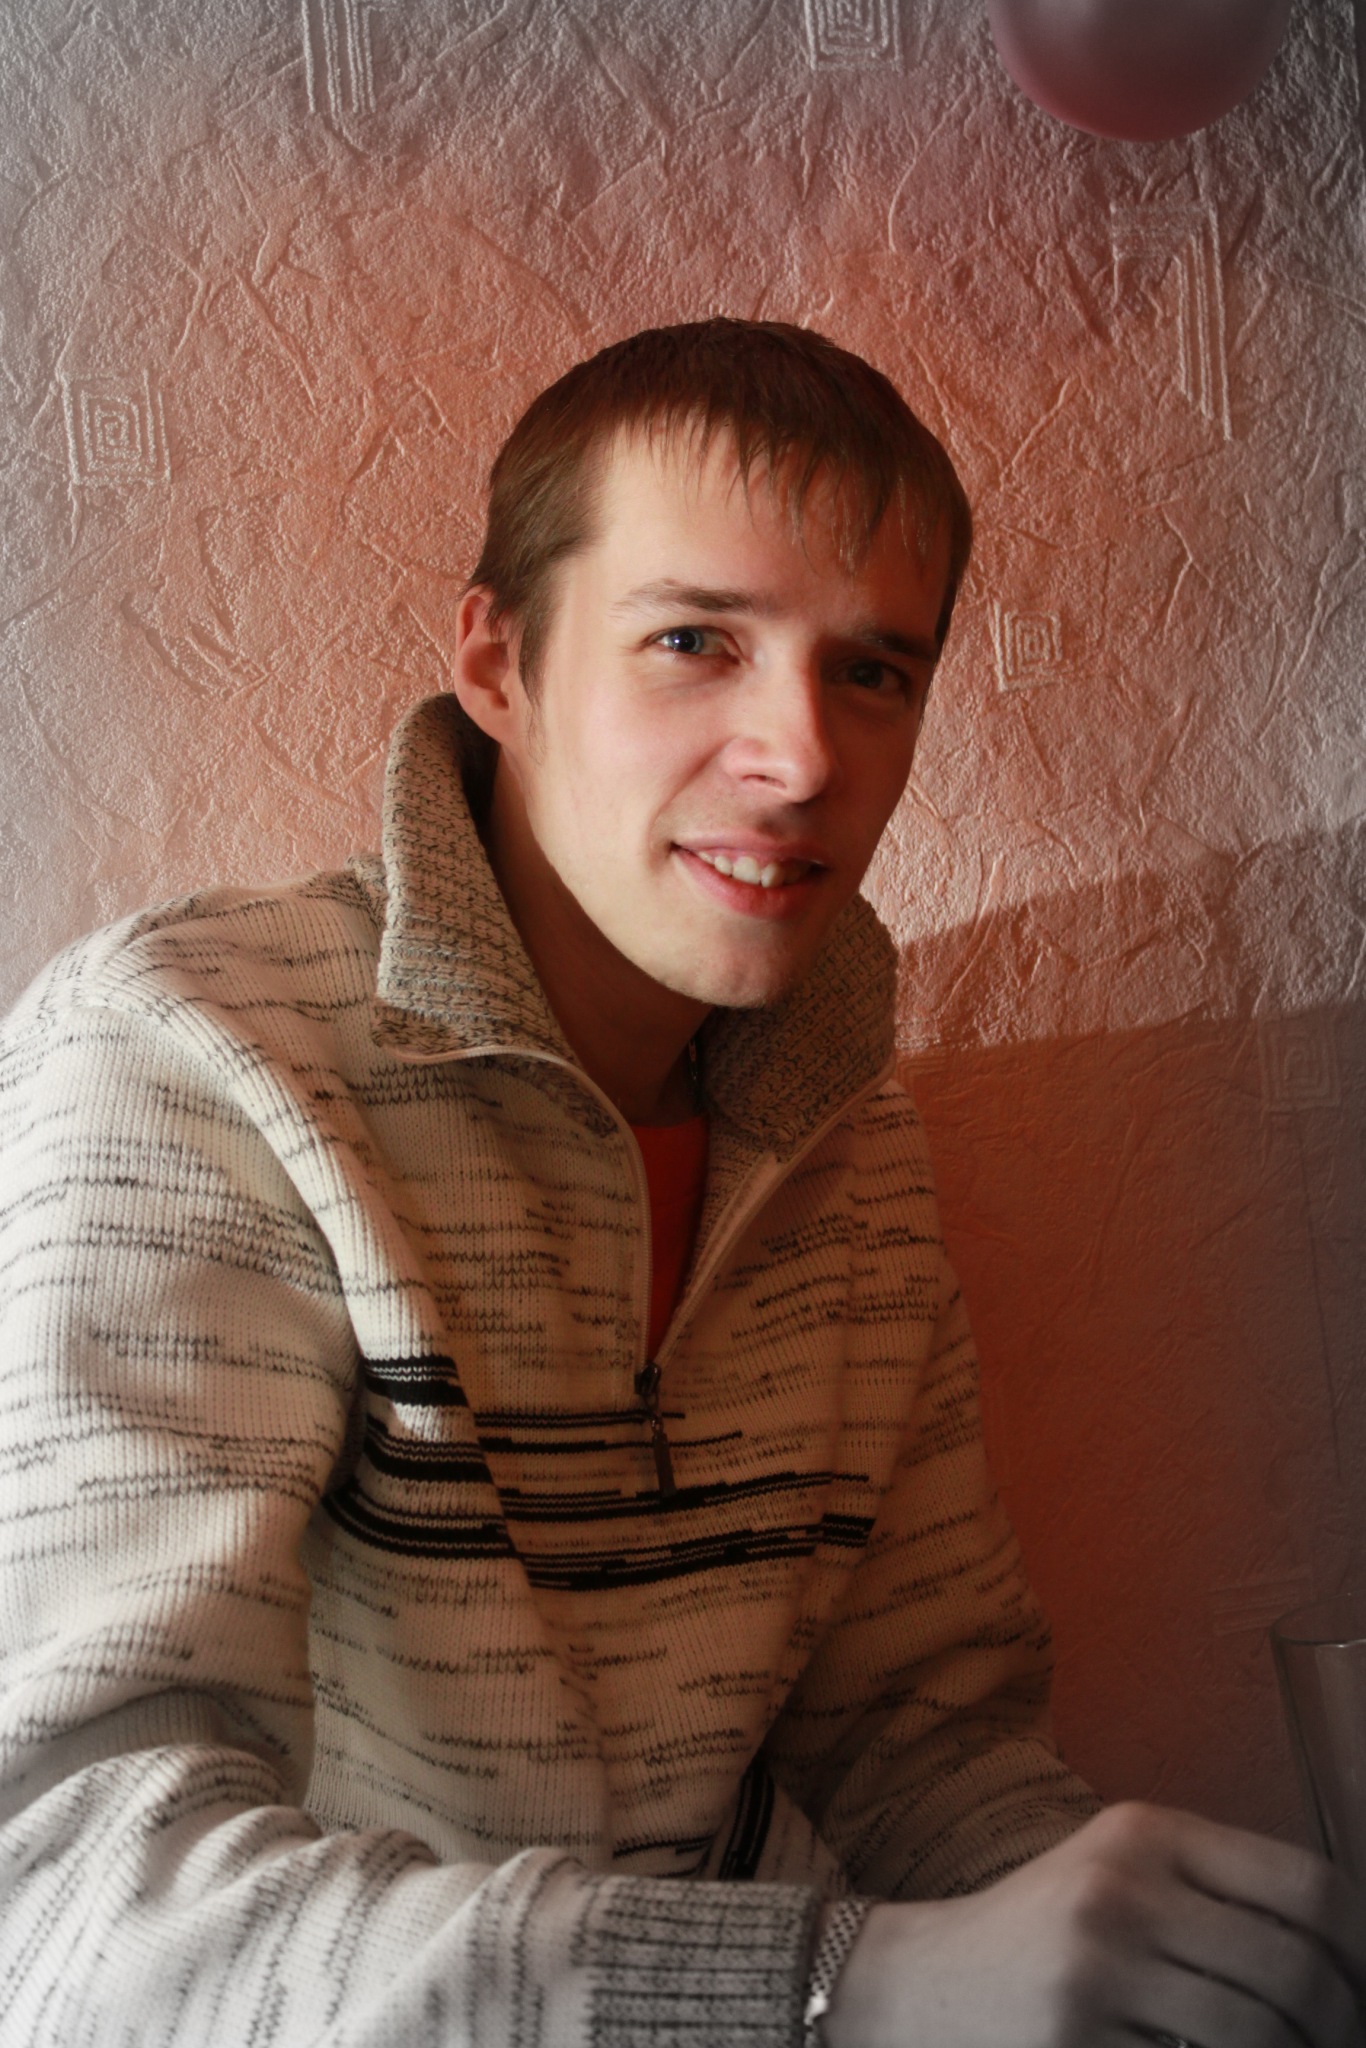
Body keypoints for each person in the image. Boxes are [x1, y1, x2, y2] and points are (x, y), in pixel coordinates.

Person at [0, 318, 1361, 2048]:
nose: (801, 757)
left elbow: (913, 1749)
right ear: (499, 664)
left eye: (872, 670)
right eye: (693, 641)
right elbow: (64, 1903)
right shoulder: (197, 1054)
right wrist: (837, 1985)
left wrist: (1173, 1975)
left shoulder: (847, 1151)